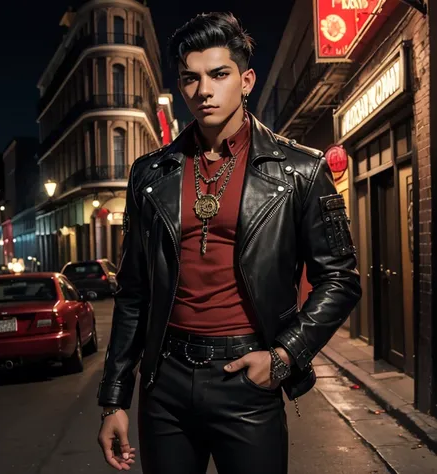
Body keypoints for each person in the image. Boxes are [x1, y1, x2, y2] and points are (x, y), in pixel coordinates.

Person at [97, 11, 362, 474]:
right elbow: (134, 292)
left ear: (246, 80)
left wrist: (282, 358)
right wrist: (114, 398)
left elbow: (340, 279)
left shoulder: (301, 171)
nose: (204, 90)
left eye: (219, 74)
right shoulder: (150, 174)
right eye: (190, 79)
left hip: (246, 379)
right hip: (166, 386)